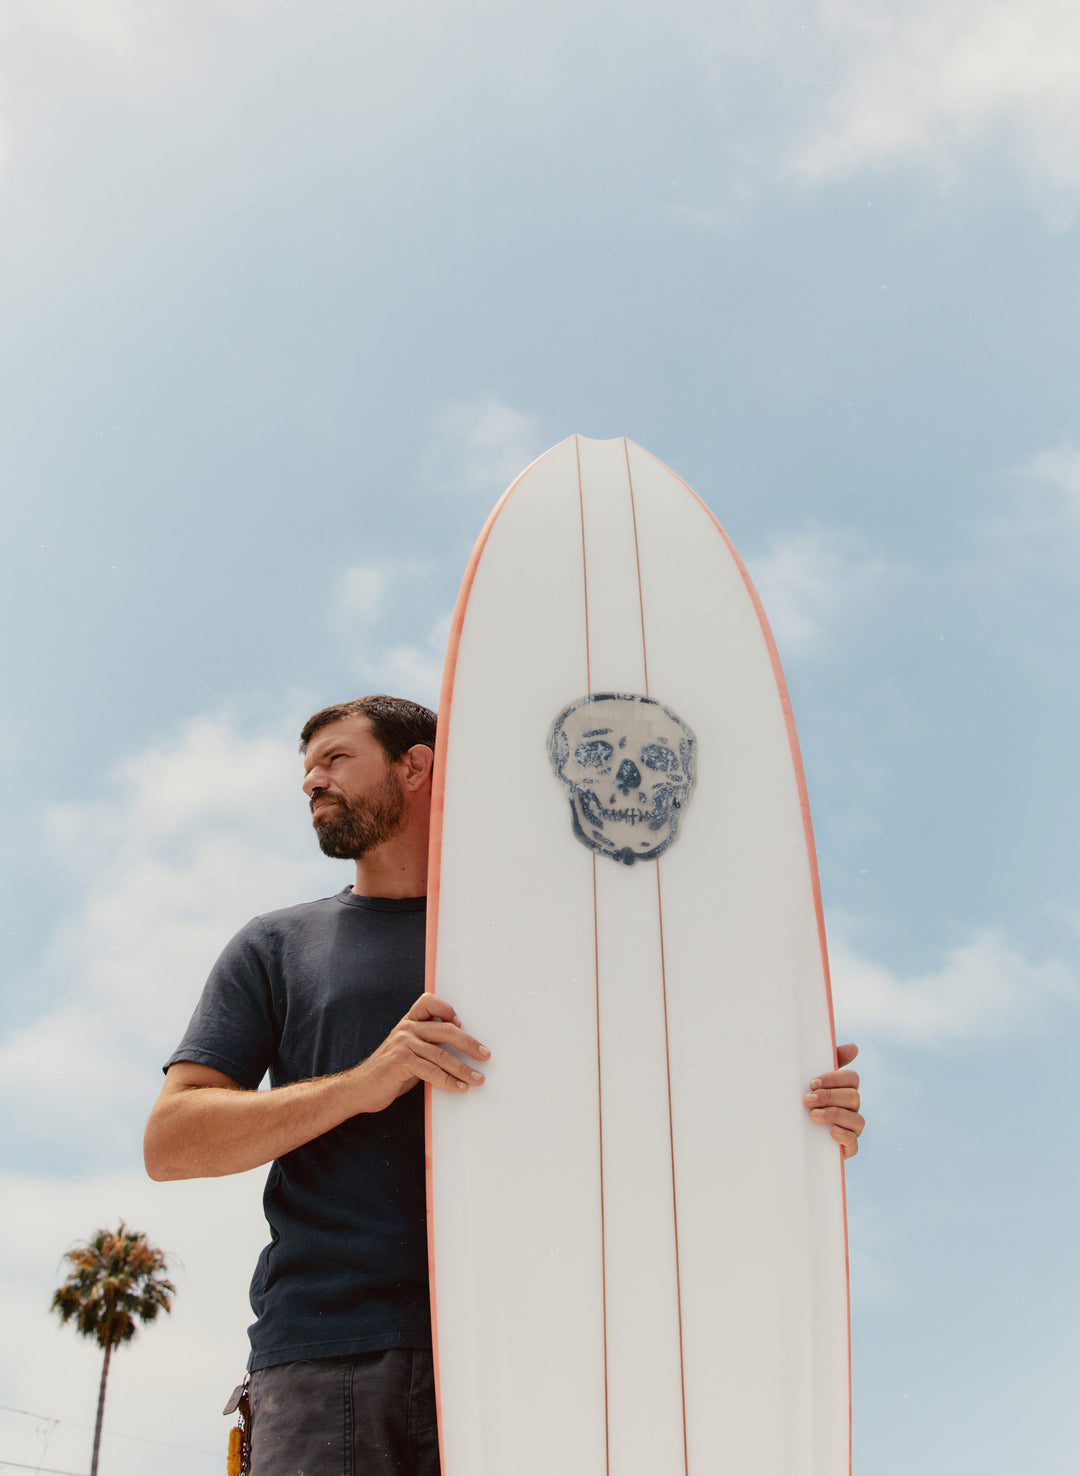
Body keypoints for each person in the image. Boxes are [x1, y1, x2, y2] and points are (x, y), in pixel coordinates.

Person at [144, 694, 865, 1476]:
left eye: (336, 759)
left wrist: (795, 1116)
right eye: (307, 767)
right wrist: (364, 1083)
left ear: (415, 766)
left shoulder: (551, 939)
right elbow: (172, 1142)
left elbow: (647, 1099)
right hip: (331, 1353)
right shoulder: (277, 946)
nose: (312, 782)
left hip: (542, 1352)